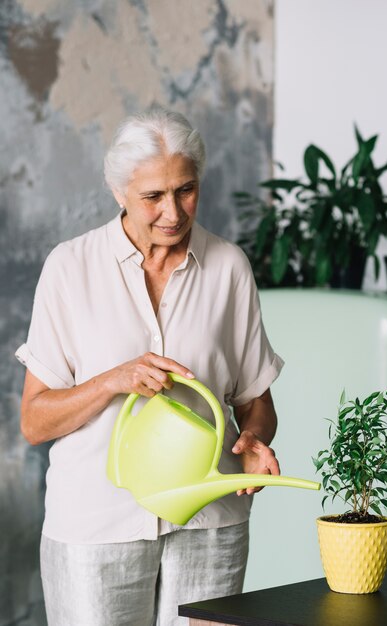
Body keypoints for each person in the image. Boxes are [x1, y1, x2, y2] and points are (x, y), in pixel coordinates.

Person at [16, 107, 284, 626]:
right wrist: (113, 380)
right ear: (118, 193)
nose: (173, 211)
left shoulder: (228, 266)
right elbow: (35, 421)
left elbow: (256, 400)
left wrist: (254, 438)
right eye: (152, 196)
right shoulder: (69, 268)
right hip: (97, 527)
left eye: (185, 189)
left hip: (210, 520)